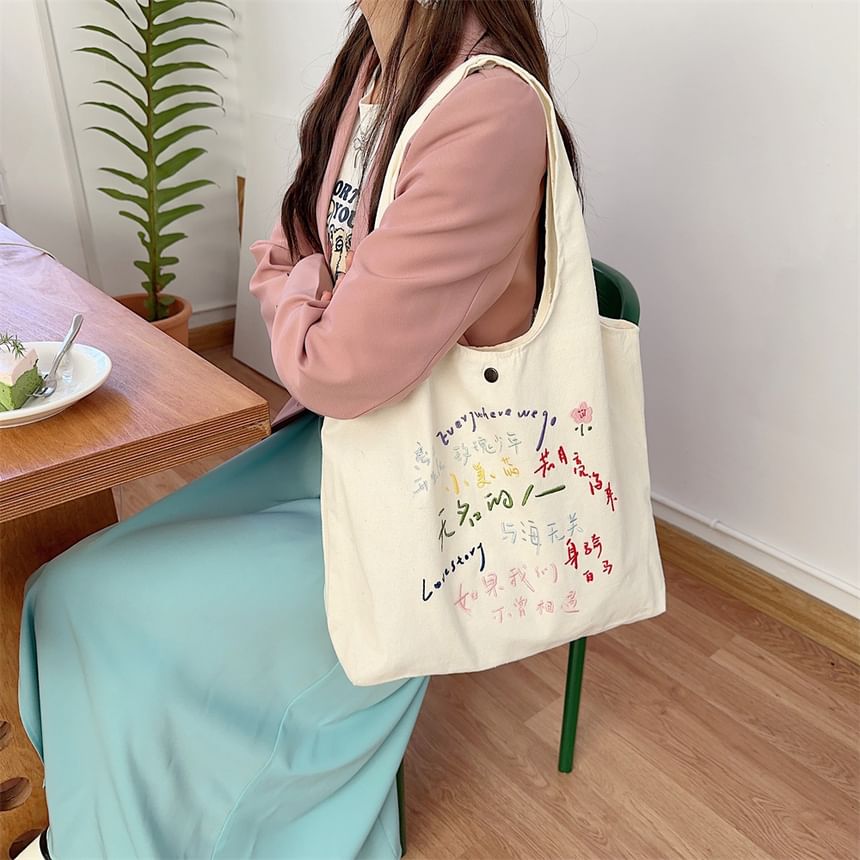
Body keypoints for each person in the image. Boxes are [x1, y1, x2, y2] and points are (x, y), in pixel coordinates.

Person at [16, 0, 582, 856]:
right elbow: (284, 245)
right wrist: (311, 292)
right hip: (339, 454)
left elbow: (328, 358)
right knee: (63, 593)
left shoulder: (488, 109)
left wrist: (302, 289)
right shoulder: (368, 68)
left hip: (439, 505)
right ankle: (111, 827)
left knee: (97, 607)